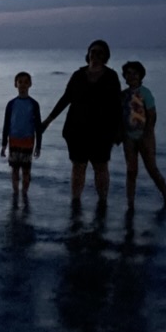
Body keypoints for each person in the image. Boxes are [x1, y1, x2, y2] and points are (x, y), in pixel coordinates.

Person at [41, 40, 123, 207]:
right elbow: (66, 99)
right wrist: (48, 121)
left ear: (106, 57)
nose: (96, 55)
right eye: (93, 52)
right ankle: (76, 202)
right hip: (76, 130)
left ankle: (102, 203)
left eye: (100, 53)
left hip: (101, 132)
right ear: (88, 54)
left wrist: (118, 131)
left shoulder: (111, 77)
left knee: (101, 167)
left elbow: (117, 106)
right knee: (78, 167)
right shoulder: (78, 75)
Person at [120, 60, 166, 210]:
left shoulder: (145, 93)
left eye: (135, 74)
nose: (131, 76)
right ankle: (130, 203)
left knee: (152, 169)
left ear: (141, 75)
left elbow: (152, 115)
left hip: (145, 136)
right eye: (128, 74)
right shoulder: (123, 95)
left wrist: (148, 134)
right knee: (131, 171)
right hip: (129, 137)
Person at [0, 71, 43, 196]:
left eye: (26, 82)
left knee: (26, 170)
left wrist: (38, 146)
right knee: (14, 169)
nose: (23, 85)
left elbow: (38, 127)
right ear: (15, 84)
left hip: (28, 142)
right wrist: (4, 145)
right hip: (13, 140)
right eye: (20, 82)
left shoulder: (34, 104)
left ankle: (24, 193)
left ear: (30, 84)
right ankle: (15, 193)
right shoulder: (11, 104)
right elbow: (6, 124)